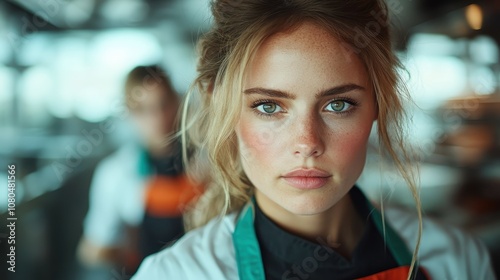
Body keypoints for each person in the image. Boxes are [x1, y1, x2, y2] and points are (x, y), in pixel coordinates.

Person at [133, 1, 496, 279]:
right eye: (269, 106)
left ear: (378, 106)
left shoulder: (453, 259)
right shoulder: (175, 274)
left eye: (338, 105)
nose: (307, 143)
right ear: (219, 104)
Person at [77, 65, 200, 273]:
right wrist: (132, 253)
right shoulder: (116, 174)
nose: (157, 118)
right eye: (143, 109)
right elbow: (90, 251)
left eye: (163, 104)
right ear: (129, 114)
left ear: (177, 102)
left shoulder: (209, 162)